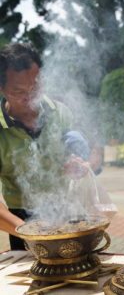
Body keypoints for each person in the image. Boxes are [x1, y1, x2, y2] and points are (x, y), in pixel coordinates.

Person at [0, 43, 100, 250]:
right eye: (18, 91)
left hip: (68, 210)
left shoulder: (61, 112)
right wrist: (29, 232)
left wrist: (82, 164)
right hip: (20, 219)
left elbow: (93, 151)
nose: (30, 98)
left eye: (35, 88)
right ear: (2, 89)